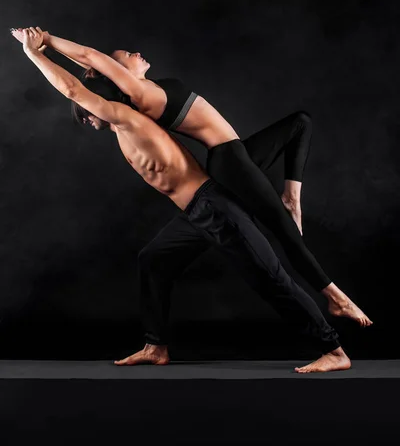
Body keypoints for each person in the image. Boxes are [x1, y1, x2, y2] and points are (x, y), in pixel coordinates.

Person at [13, 26, 351, 373]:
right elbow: (90, 68)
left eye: (86, 108)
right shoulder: (124, 124)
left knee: (270, 276)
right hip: (196, 213)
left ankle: (333, 349)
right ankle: (155, 345)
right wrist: (56, 49)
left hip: (214, 209)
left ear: (98, 104)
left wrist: (35, 53)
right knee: (154, 259)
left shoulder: (129, 119)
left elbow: (73, 85)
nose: (84, 114)